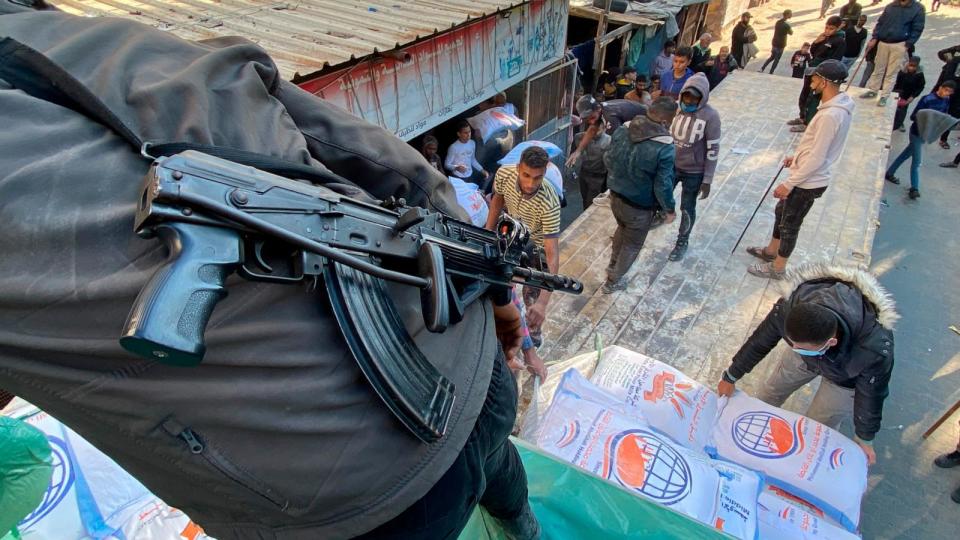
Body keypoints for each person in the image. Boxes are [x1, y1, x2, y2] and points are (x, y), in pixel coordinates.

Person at [0, 5, 540, 540]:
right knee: (498, 468)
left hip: (326, 485)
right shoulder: (85, 42)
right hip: (362, 481)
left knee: (496, 466)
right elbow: (389, 164)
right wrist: (498, 298)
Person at [717, 263, 898, 467]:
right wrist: (731, 375)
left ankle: (797, 466)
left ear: (831, 342)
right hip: (808, 358)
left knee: (818, 426)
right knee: (771, 392)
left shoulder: (872, 350)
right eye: (791, 343)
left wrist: (865, 437)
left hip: (845, 377)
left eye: (801, 347)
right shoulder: (789, 310)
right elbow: (760, 341)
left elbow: (872, 393)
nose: (794, 348)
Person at [747, 61, 855, 280]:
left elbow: (817, 156)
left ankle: (778, 267)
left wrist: (789, 184)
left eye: (814, 79)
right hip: (806, 174)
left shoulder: (829, 116)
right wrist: (795, 158)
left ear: (824, 82)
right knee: (781, 213)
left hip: (808, 181)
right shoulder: (833, 109)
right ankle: (771, 251)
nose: (811, 83)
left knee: (790, 225)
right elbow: (814, 148)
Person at [486, 147, 561, 348]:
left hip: (536, 245)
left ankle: (533, 331)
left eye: (537, 178)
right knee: (499, 280)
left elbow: (552, 255)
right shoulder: (503, 174)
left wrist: (543, 303)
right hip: (510, 233)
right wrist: (487, 234)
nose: (530, 183)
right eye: (526, 175)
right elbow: (497, 202)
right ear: (518, 168)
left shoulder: (550, 202)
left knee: (532, 295)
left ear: (545, 173)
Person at [601, 97, 678, 293]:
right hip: (640, 206)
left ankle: (612, 266)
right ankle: (613, 280)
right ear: (665, 122)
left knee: (621, 229)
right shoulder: (665, 146)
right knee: (632, 244)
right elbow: (663, 184)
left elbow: (608, 158)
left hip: (615, 196)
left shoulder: (624, 128)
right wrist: (669, 209)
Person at [667, 73, 721, 261]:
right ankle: (658, 217)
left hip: (694, 172)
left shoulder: (711, 116)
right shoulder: (676, 109)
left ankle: (682, 241)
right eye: (686, 97)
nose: (689, 101)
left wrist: (707, 179)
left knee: (687, 207)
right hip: (672, 165)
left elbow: (713, 148)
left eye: (694, 98)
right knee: (661, 195)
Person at [884, 81, 957, 199]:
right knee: (917, 162)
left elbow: (943, 117)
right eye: (946, 90)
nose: (946, 93)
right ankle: (914, 188)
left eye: (949, 92)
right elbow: (914, 116)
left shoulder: (946, 100)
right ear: (940, 88)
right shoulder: (927, 99)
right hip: (917, 133)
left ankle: (890, 172)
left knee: (906, 154)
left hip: (925, 135)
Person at [786, 16, 847, 133]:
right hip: (812, 70)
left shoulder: (839, 41)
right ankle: (802, 116)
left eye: (831, 28)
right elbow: (814, 52)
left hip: (821, 74)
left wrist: (823, 75)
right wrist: (816, 42)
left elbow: (835, 60)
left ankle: (808, 123)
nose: (828, 30)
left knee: (812, 98)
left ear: (838, 27)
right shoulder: (825, 37)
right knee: (804, 95)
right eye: (827, 27)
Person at [861, 0, 926, 107]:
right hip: (883, 41)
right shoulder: (891, 6)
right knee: (878, 68)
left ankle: (884, 96)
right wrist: (875, 37)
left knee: (892, 72)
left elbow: (918, 28)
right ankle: (873, 90)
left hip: (900, 43)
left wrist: (908, 44)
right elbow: (880, 22)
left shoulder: (918, 8)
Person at [445, 119, 490, 188]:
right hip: (458, 177)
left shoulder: (472, 143)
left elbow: (472, 160)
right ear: (459, 134)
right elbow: (446, 165)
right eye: (465, 133)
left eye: (469, 132)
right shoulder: (453, 147)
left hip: (470, 176)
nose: (468, 134)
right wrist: (457, 167)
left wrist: (482, 170)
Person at [934, 45, 960, 148]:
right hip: (947, 85)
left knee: (954, 113)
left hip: (958, 91)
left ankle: (944, 138)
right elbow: (941, 53)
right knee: (940, 107)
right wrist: (950, 62)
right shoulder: (957, 50)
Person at [892, 56, 926, 131]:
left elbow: (920, 87)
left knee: (902, 111)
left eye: (914, 66)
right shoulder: (901, 71)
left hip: (907, 96)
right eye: (910, 65)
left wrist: (913, 96)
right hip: (897, 93)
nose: (911, 68)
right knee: (893, 108)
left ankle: (900, 123)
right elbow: (895, 82)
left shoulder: (919, 75)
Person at [761, 10, 794, 74]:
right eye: (790, 14)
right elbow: (791, 33)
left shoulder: (778, 22)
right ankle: (771, 72)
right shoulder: (787, 25)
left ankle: (762, 68)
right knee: (777, 59)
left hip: (774, 42)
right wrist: (788, 28)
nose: (791, 15)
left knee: (772, 57)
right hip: (781, 44)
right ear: (787, 15)